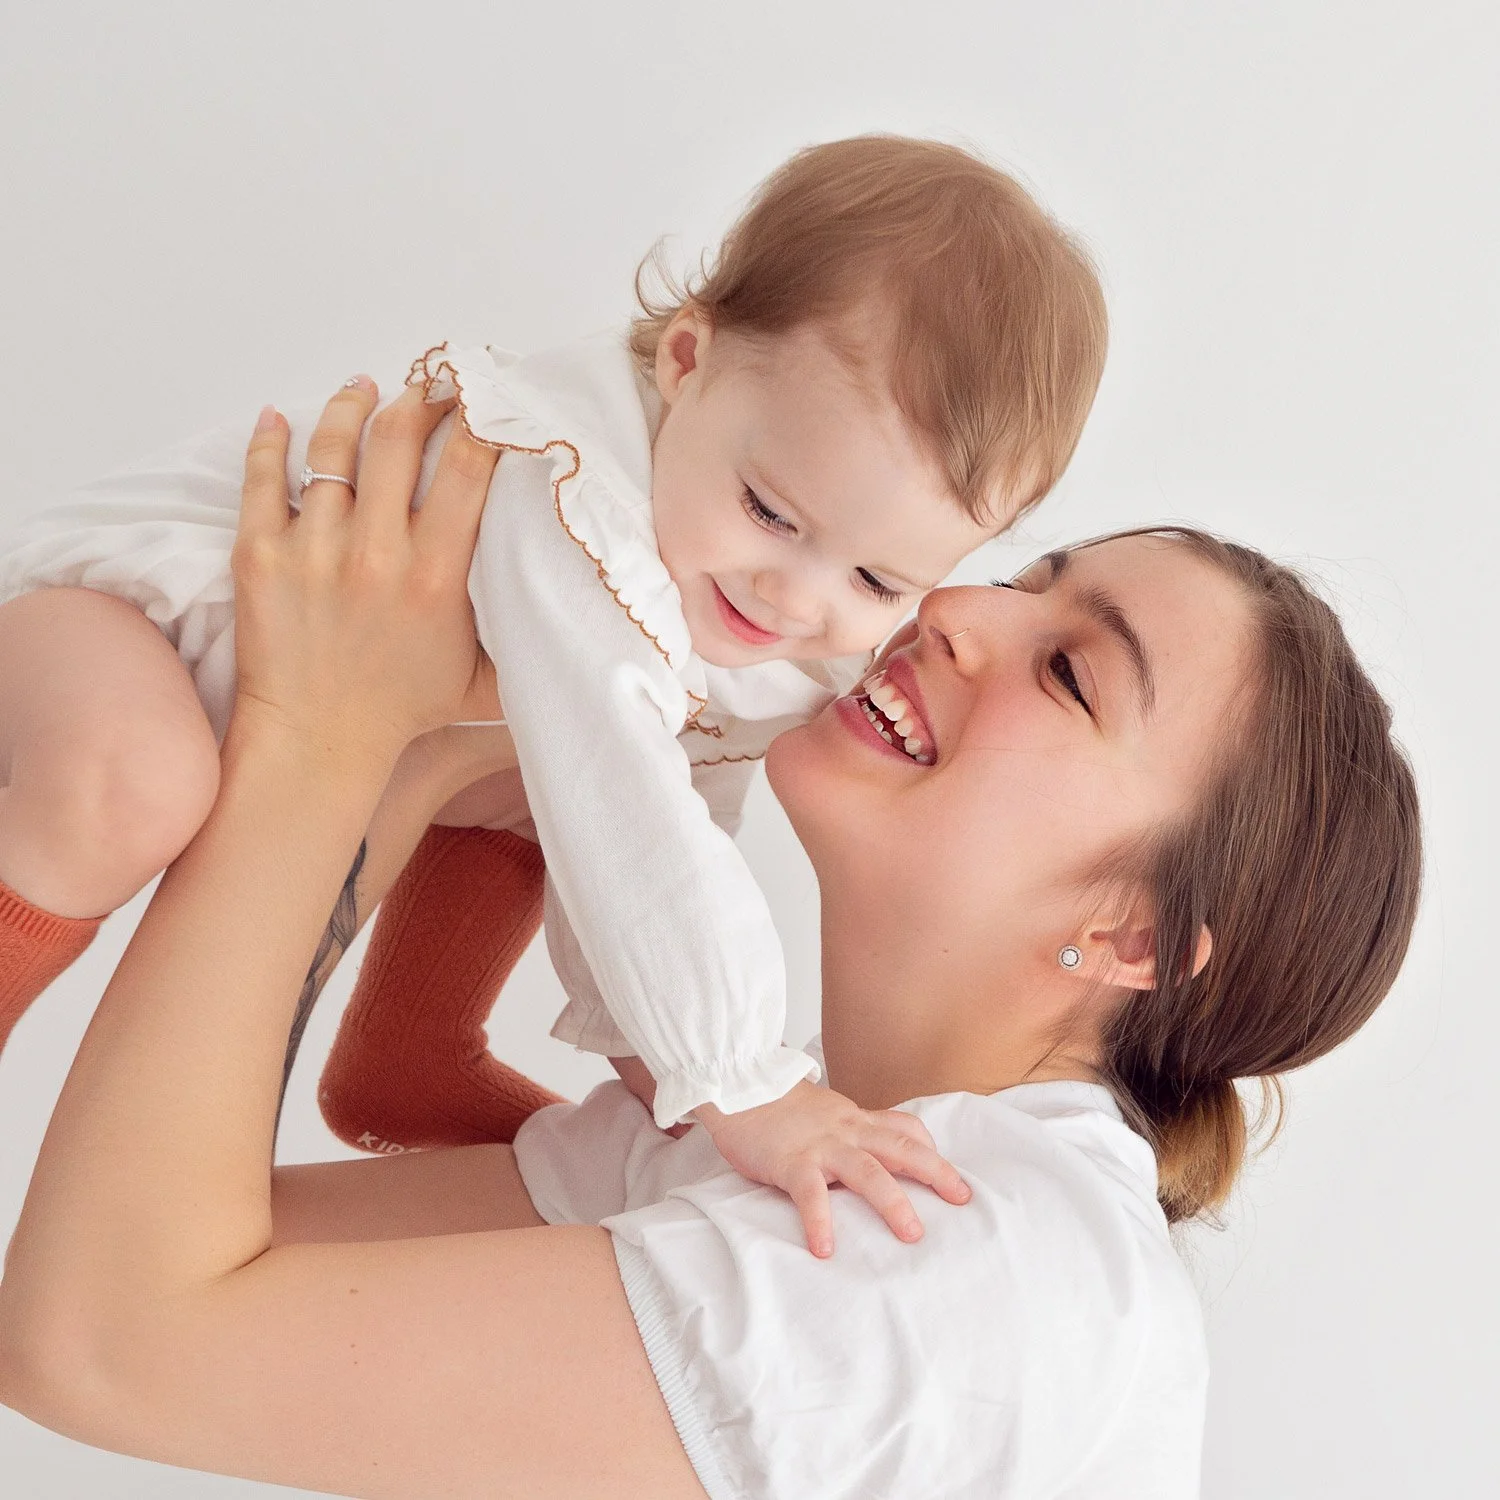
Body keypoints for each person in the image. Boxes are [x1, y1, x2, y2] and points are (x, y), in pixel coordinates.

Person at [0, 376, 1419, 1497]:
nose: (958, 606)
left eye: (1070, 671)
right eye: (1025, 572)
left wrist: (325, 735)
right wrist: (428, 746)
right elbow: (154, 1254)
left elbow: (107, 1340)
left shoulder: (968, 1258)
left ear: (1140, 938)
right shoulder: (759, 1154)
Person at [0, 138, 1108, 1247]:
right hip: (134, 620)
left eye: (877, 580)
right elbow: (622, 801)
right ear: (686, 361)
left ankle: (411, 1049)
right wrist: (742, 1081)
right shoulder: (580, 493)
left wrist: (671, 1079)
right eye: (772, 511)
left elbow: (668, 816)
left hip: (325, 718)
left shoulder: (757, 600)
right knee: (134, 785)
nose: (793, 594)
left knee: (528, 777)